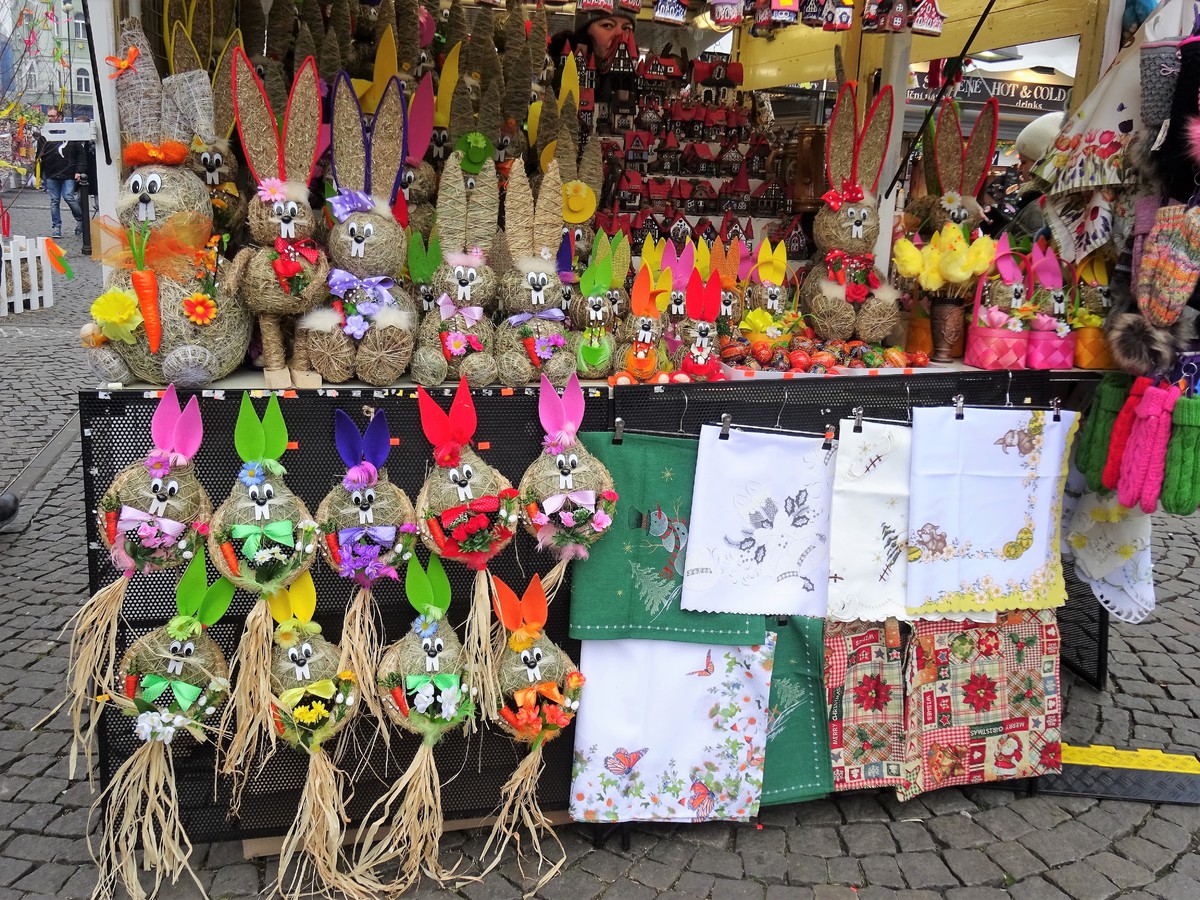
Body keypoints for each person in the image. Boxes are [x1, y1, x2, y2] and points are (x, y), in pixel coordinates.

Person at [1002, 111, 1065, 247]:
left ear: (1041, 163)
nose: (1019, 169)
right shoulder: (1035, 201)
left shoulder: (1039, 208)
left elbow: (1021, 252)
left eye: (1024, 162)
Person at [34, 107, 85, 239]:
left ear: (60, 117)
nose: (50, 118)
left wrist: (79, 171)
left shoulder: (70, 133)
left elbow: (80, 154)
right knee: (54, 201)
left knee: (68, 196)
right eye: (49, 116)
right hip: (51, 172)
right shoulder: (45, 135)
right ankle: (56, 227)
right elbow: (39, 156)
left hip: (68, 172)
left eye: (52, 116)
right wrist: (38, 173)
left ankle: (81, 220)